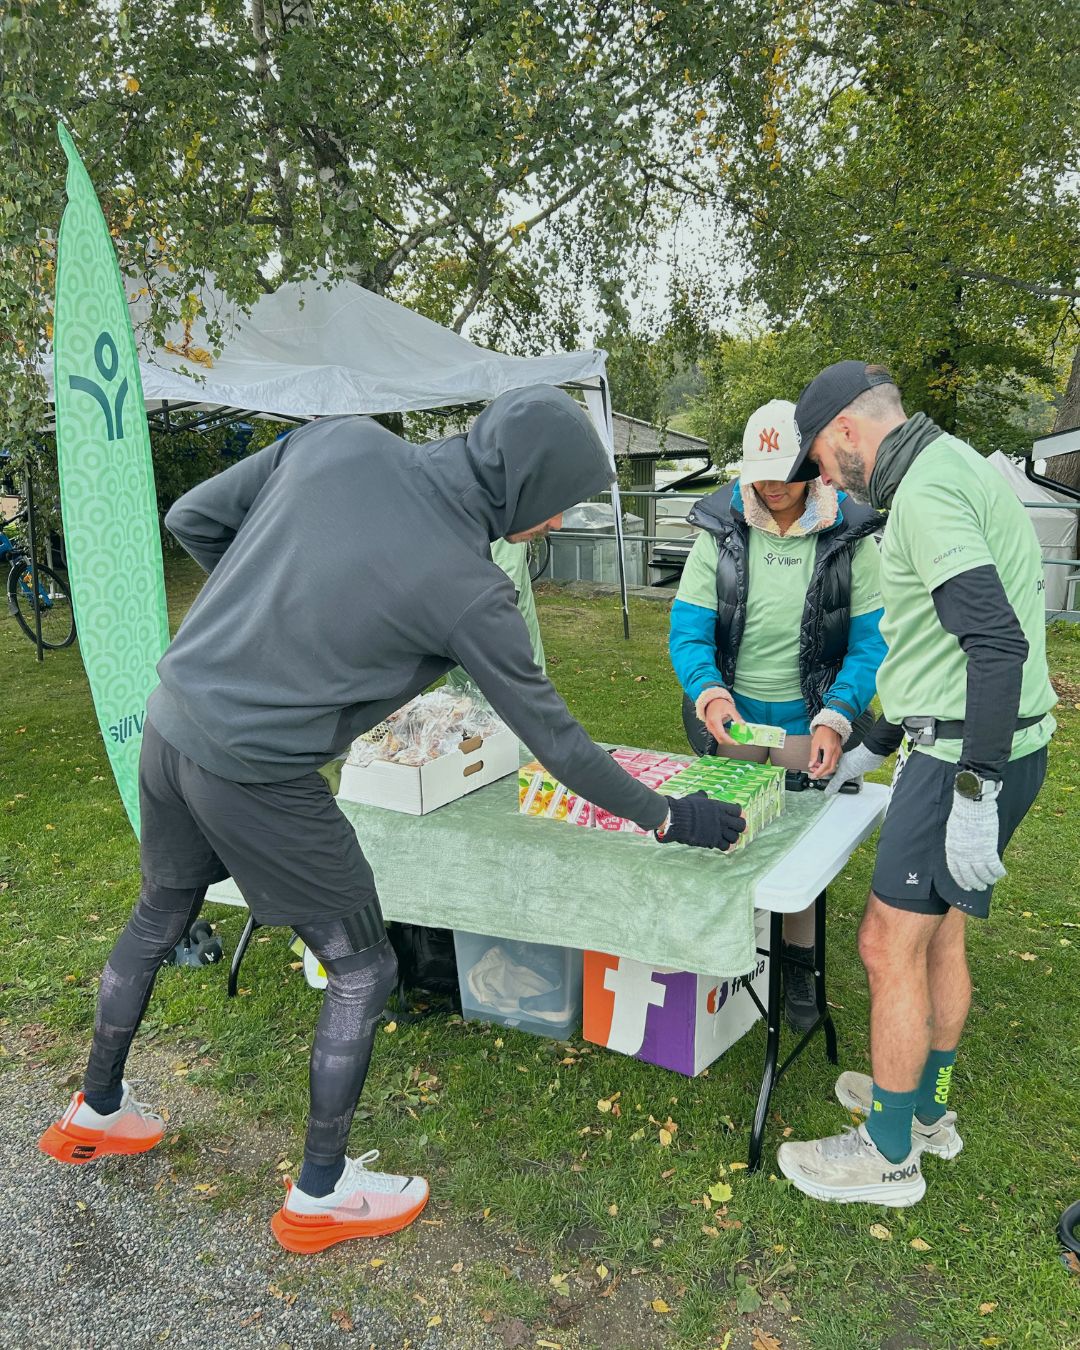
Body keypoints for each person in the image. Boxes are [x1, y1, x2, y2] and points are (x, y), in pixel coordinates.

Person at [38, 385, 746, 1251]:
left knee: (160, 913)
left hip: (171, 720)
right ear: (525, 485)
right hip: (256, 770)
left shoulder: (339, 439)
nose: (558, 522)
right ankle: (321, 1193)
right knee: (363, 967)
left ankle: (96, 1108)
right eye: (558, 502)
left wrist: (263, 614)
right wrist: (670, 817)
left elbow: (193, 517)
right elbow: (560, 744)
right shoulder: (470, 590)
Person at [775, 361, 1056, 1207]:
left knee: (884, 944)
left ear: (848, 430)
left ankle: (888, 1152)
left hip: (962, 760)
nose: (824, 480)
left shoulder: (927, 493)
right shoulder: (958, 464)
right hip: (999, 742)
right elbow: (930, 646)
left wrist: (973, 790)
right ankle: (925, 1109)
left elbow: (994, 645)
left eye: (821, 460)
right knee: (939, 940)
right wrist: (868, 747)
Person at [669, 399, 886, 1031]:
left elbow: (872, 643)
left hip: (807, 716)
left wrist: (837, 716)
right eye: (761, 474)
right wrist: (710, 693)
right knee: (728, 831)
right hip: (735, 715)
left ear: (812, 466)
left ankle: (796, 967)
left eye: (786, 473)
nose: (773, 487)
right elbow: (689, 631)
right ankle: (728, 954)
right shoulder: (719, 531)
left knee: (799, 845)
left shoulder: (849, 536)